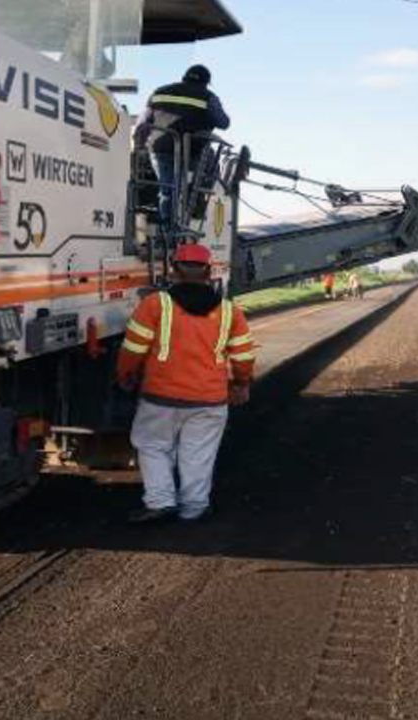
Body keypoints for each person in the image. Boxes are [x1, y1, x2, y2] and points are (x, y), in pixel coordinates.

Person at [117, 244, 256, 523]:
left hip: (160, 396)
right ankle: (194, 507)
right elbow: (243, 356)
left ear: (173, 269)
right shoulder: (231, 312)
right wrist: (241, 384)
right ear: (209, 271)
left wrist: (126, 375)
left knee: (153, 446)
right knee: (198, 453)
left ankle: (160, 501)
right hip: (209, 399)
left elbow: (132, 349)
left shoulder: (155, 305)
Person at [133, 65, 231, 231]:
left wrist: (138, 148)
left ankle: (168, 229)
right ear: (206, 82)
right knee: (207, 174)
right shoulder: (207, 96)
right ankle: (195, 208)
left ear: (184, 77)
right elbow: (224, 122)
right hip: (192, 151)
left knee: (168, 190)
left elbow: (142, 123)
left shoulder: (160, 92)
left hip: (159, 148)